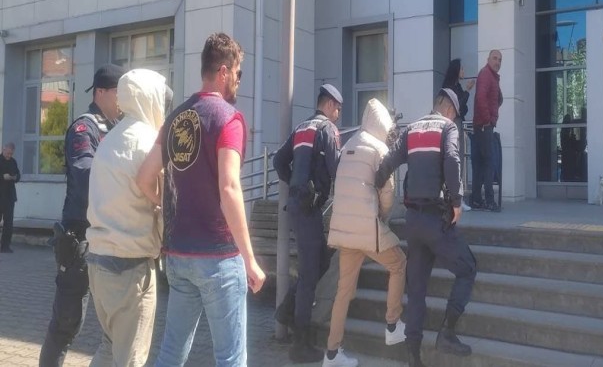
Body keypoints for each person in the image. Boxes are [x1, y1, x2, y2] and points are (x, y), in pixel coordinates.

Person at [136, 32, 266, 367]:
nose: (239, 80)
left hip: (178, 255)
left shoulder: (176, 117)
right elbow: (230, 188)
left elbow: (144, 177)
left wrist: (166, 206)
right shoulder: (229, 119)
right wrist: (250, 260)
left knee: (171, 352)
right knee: (231, 358)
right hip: (218, 257)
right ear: (223, 71)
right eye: (238, 73)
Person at [375, 89, 477, 367]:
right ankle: (447, 333)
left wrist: (375, 185)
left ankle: (413, 358)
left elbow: (389, 161)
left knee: (417, 291)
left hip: (413, 222)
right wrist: (456, 201)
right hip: (436, 220)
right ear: (449, 110)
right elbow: (452, 159)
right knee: (468, 268)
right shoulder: (447, 128)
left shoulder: (412, 129)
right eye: (454, 114)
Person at [86, 69, 173, 366]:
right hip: (131, 268)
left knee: (109, 345)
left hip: (98, 262)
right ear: (150, 99)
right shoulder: (151, 143)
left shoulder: (109, 140)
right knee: (130, 358)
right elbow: (166, 205)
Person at [40, 64, 125, 367]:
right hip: (80, 239)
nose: (123, 100)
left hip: (110, 238)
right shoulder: (83, 128)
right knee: (67, 323)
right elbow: (85, 173)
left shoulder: (118, 129)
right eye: (119, 93)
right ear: (101, 92)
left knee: (115, 327)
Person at [323, 98, 407, 367]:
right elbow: (387, 194)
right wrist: (383, 217)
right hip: (367, 228)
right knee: (399, 263)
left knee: (343, 291)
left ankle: (331, 353)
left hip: (344, 231)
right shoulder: (379, 149)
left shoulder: (349, 143)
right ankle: (392, 325)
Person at [273, 83, 343, 363]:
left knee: (320, 261)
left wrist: (295, 183)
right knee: (310, 275)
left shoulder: (302, 127)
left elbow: (279, 161)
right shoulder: (327, 129)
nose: (338, 114)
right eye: (338, 109)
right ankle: (300, 344)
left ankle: (286, 311)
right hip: (308, 209)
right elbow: (337, 169)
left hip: (298, 207)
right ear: (329, 105)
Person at [470, 50, 503, 212]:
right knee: (488, 162)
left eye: (500, 60)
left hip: (482, 125)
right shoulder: (486, 75)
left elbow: (498, 98)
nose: (497, 62)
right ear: (488, 59)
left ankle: (476, 199)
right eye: (495, 58)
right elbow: (480, 98)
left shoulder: (492, 77)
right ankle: (489, 201)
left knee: (480, 163)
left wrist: (491, 112)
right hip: (484, 125)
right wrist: (488, 119)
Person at [442, 59, 475, 212]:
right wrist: (467, 91)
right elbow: (458, 106)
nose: (463, 71)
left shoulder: (456, 87)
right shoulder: (450, 88)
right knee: (456, 159)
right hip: (453, 125)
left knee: (458, 160)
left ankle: (456, 198)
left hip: (456, 124)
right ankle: (455, 199)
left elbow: (463, 108)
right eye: (461, 69)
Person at [0, 142, 20, 253]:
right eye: (8, 153)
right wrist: (2, 177)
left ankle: (5, 246)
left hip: (9, 197)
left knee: (8, 223)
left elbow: (18, 175)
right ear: (3, 149)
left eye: (11, 154)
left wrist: (15, 177)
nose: (9, 155)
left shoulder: (13, 162)